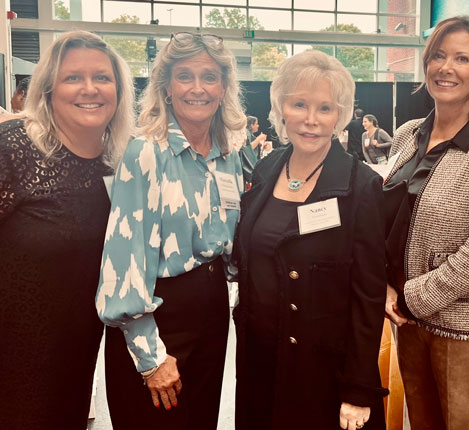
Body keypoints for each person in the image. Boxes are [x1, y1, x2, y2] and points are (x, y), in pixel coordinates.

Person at [96, 32, 246, 430]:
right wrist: (150, 356)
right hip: (159, 316)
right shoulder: (146, 152)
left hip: (212, 312)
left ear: (224, 86)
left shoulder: (228, 154)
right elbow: (124, 260)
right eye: (185, 76)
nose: (198, 88)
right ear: (165, 87)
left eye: (210, 77)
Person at [234, 49, 388, 430]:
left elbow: (369, 295)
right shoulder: (267, 169)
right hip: (260, 365)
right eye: (299, 104)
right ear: (281, 108)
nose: (310, 120)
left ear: (340, 116)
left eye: (324, 108)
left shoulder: (360, 186)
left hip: (323, 372)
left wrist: (358, 388)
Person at [383, 16, 469, 429]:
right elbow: (389, 221)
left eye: (462, 58)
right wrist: (386, 287)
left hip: (468, 332)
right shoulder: (407, 134)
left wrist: (411, 297)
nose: (447, 68)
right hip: (408, 325)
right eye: (439, 56)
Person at [0, 30, 134, 429]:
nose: (89, 89)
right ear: (48, 89)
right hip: (11, 359)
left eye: (102, 78)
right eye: (73, 77)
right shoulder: (14, 149)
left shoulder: (119, 166)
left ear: (119, 91)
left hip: (75, 356)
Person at [240, 115, 268, 186]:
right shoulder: (246, 133)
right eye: (256, 124)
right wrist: (259, 139)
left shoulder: (250, 135)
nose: (258, 126)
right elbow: (247, 149)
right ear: (251, 125)